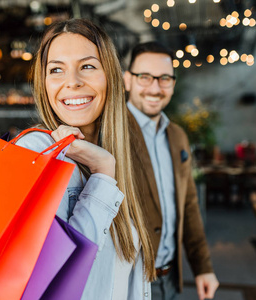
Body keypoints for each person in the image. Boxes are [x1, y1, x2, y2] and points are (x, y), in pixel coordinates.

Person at [16, 19, 156, 299]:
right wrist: (103, 173)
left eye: (88, 66)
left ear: (110, 77)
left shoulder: (119, 153)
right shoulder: (34, 153)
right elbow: (54, 284)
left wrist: (105, 165)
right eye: (56, 69)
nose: (73, 82)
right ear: (43, 84)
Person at [123, 41, 219, 300]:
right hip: (128, 282)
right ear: (127, 80)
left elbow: (188, 205)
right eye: (145, 77)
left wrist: (202, 268)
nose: (155, 88)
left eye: (164, 78)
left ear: (173, 84)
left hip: (172, 280)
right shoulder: (111, 132)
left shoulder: (177, 136)